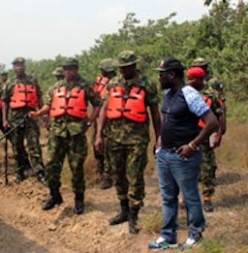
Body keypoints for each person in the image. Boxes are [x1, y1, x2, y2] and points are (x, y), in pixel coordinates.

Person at [148, 58, 218, 251]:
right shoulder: (169, 94)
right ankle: (168, 237)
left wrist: (193, 145)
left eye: (161, 74)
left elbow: (212, 122)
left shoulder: (189, 94)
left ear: (171, 75)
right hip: (165, 155)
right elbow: (167, 120)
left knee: (189, 197)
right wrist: (160, 142)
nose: (159, 77)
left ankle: (195, 234)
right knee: (168, 197)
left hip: (183, 156)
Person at [95, 50, 161, 234]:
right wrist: (98, 135)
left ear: (134, 66)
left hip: (137, 140)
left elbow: (155, 113)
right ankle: (123, 210)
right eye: (121, 68)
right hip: (114, 138)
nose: (124, 71)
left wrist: (159, 138)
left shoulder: (147, 84)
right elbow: (103, 109)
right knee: (118, 175)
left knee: (135, 176)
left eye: (127, 67)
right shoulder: (113, 84)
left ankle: (134, 214)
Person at [29, 58, 102, 214]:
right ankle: (55, 196)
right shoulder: (56, 87)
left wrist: (89, 122)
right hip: (57, 132)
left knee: (76, 168)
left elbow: (98, 104)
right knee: (51, 165)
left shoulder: (86, 86)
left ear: (77, 69)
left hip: (77, 133)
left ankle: (79, 199)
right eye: (66, 69)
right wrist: (37, 114)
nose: (69, 72)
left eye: (72, 69)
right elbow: (48, 106)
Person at [186, 67, 225, 213]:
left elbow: (219, 115)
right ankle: (187, 198)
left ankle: (207, 198)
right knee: (187, 168)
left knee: (207, 167)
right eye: (189, 78)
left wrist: (219, 134)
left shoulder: (211, 94)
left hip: (206, 134)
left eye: (193, 79)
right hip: (188, 136)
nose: (190, 82)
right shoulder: (184, 93)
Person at [2, 57, 45, 184]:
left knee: (34, 146)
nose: (19, 67)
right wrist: (4, 120)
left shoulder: (32, 80)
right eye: (16, 65)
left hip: (31, 117)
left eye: (21, 65)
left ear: (25, 66)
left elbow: (39, 97)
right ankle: (20, 171)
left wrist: (43, 114)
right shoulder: (9, 83)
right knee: (17, 147)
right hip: (14, 119)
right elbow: (4, 102)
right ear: (13, 68)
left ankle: (40, 172)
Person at [92, 58, 117, 190]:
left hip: (111, 120)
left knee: (108, 147)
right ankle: (99, 172)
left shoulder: (116, 83)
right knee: (96, 145)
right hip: (99, 119)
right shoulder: (99, 82)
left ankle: (108, 176)